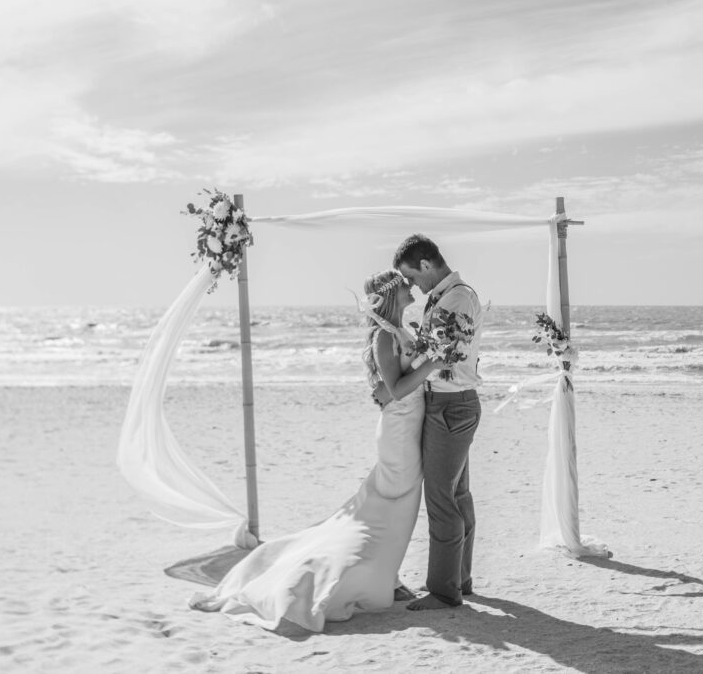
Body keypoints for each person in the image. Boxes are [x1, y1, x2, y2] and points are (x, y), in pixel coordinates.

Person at [189, 269, 444, 631]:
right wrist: (434, 363)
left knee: (394, 509)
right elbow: (396, 389)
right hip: (399, 433)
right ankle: (362, 578)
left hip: (410, 427)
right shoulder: (385, 338)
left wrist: (430, 356)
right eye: (404, 284)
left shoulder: (402, 331)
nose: (410, 286)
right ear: (391, 294)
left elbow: (392, 387)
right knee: (391, 508)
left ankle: (389, 575)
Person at [375, 234, 484, 611]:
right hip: (451, 404)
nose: (415, 287)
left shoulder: (456, 297)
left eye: (413, 277)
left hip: (451, 406)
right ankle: (459, 578)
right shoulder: (448, 296)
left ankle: (443, 590)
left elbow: (444, 356)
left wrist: (395, 388)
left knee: (442, 498)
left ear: (425, 265)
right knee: (457, 495)